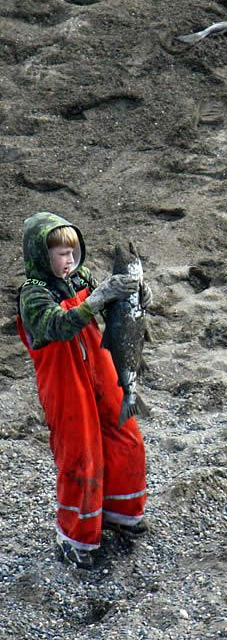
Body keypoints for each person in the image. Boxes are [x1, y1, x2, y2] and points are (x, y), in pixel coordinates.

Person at [16, 212, 151, 570]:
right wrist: (98, 298)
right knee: (81, 451)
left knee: (126, 435)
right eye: (60, 253)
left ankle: (122, 511)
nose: (69, 260)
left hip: (99, 365)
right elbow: (54, 326)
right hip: (64, 382)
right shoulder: (32, 294)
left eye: (73, 252)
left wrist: (135, 298)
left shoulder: (81, 278)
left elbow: (115, 314)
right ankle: (76, 536)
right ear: (40, 256)